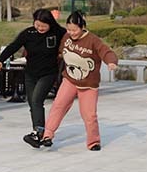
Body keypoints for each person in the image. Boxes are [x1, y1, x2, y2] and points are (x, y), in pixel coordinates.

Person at [41, 11, 118, 151]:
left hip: (88, 84)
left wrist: (111, 62)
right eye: (69, 29)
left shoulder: (93, 40)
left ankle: (93, 142)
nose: (72, 33)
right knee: (58, 105)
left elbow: (106, 52)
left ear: (82, 27)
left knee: (89, 114)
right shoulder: (67, 37)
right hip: (69, 80)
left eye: (74, 30)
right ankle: (47, 135)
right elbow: (60, 52)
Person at [0, 9, 66, 148]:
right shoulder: (28, 33)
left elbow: (73, 38)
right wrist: (0, 60)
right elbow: (13, 46)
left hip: (48, 73)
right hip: (30, 74)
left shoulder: (58, 32)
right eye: (37, 25)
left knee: (36, 100)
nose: (40, 28)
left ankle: (39, 132)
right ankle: (40, 133)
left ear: (50, 23)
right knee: (32, 103)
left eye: (43, 26)